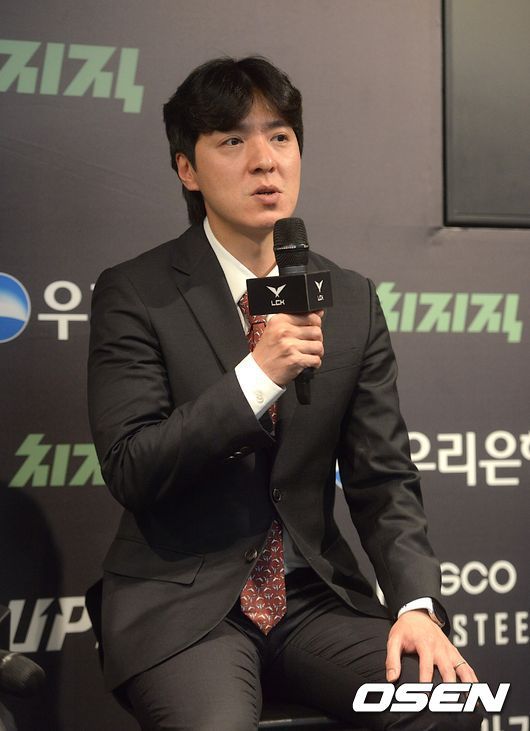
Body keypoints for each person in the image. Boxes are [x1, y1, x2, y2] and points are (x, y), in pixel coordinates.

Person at [87, 56, 481, 730]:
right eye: (232, 140)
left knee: (448, 705)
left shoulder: (348, 298)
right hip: (184, 604)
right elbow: (132, 465)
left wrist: (417, 606)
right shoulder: (137, 292)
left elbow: (383, 478)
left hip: (312, 599)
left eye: (280, 137)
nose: (265, 161)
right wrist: (259, 376)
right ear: (187, 168)